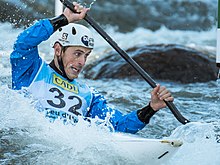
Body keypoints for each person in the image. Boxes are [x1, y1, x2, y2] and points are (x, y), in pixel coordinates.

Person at [10, 3, 174, 134]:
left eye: (86, 55)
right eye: (77, 53)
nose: (82, 62)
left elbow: (118, 126)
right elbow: (23, 44)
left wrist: (151, 108)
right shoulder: (32, 71)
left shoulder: (88, 95)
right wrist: (63, 19)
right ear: (58, 50)